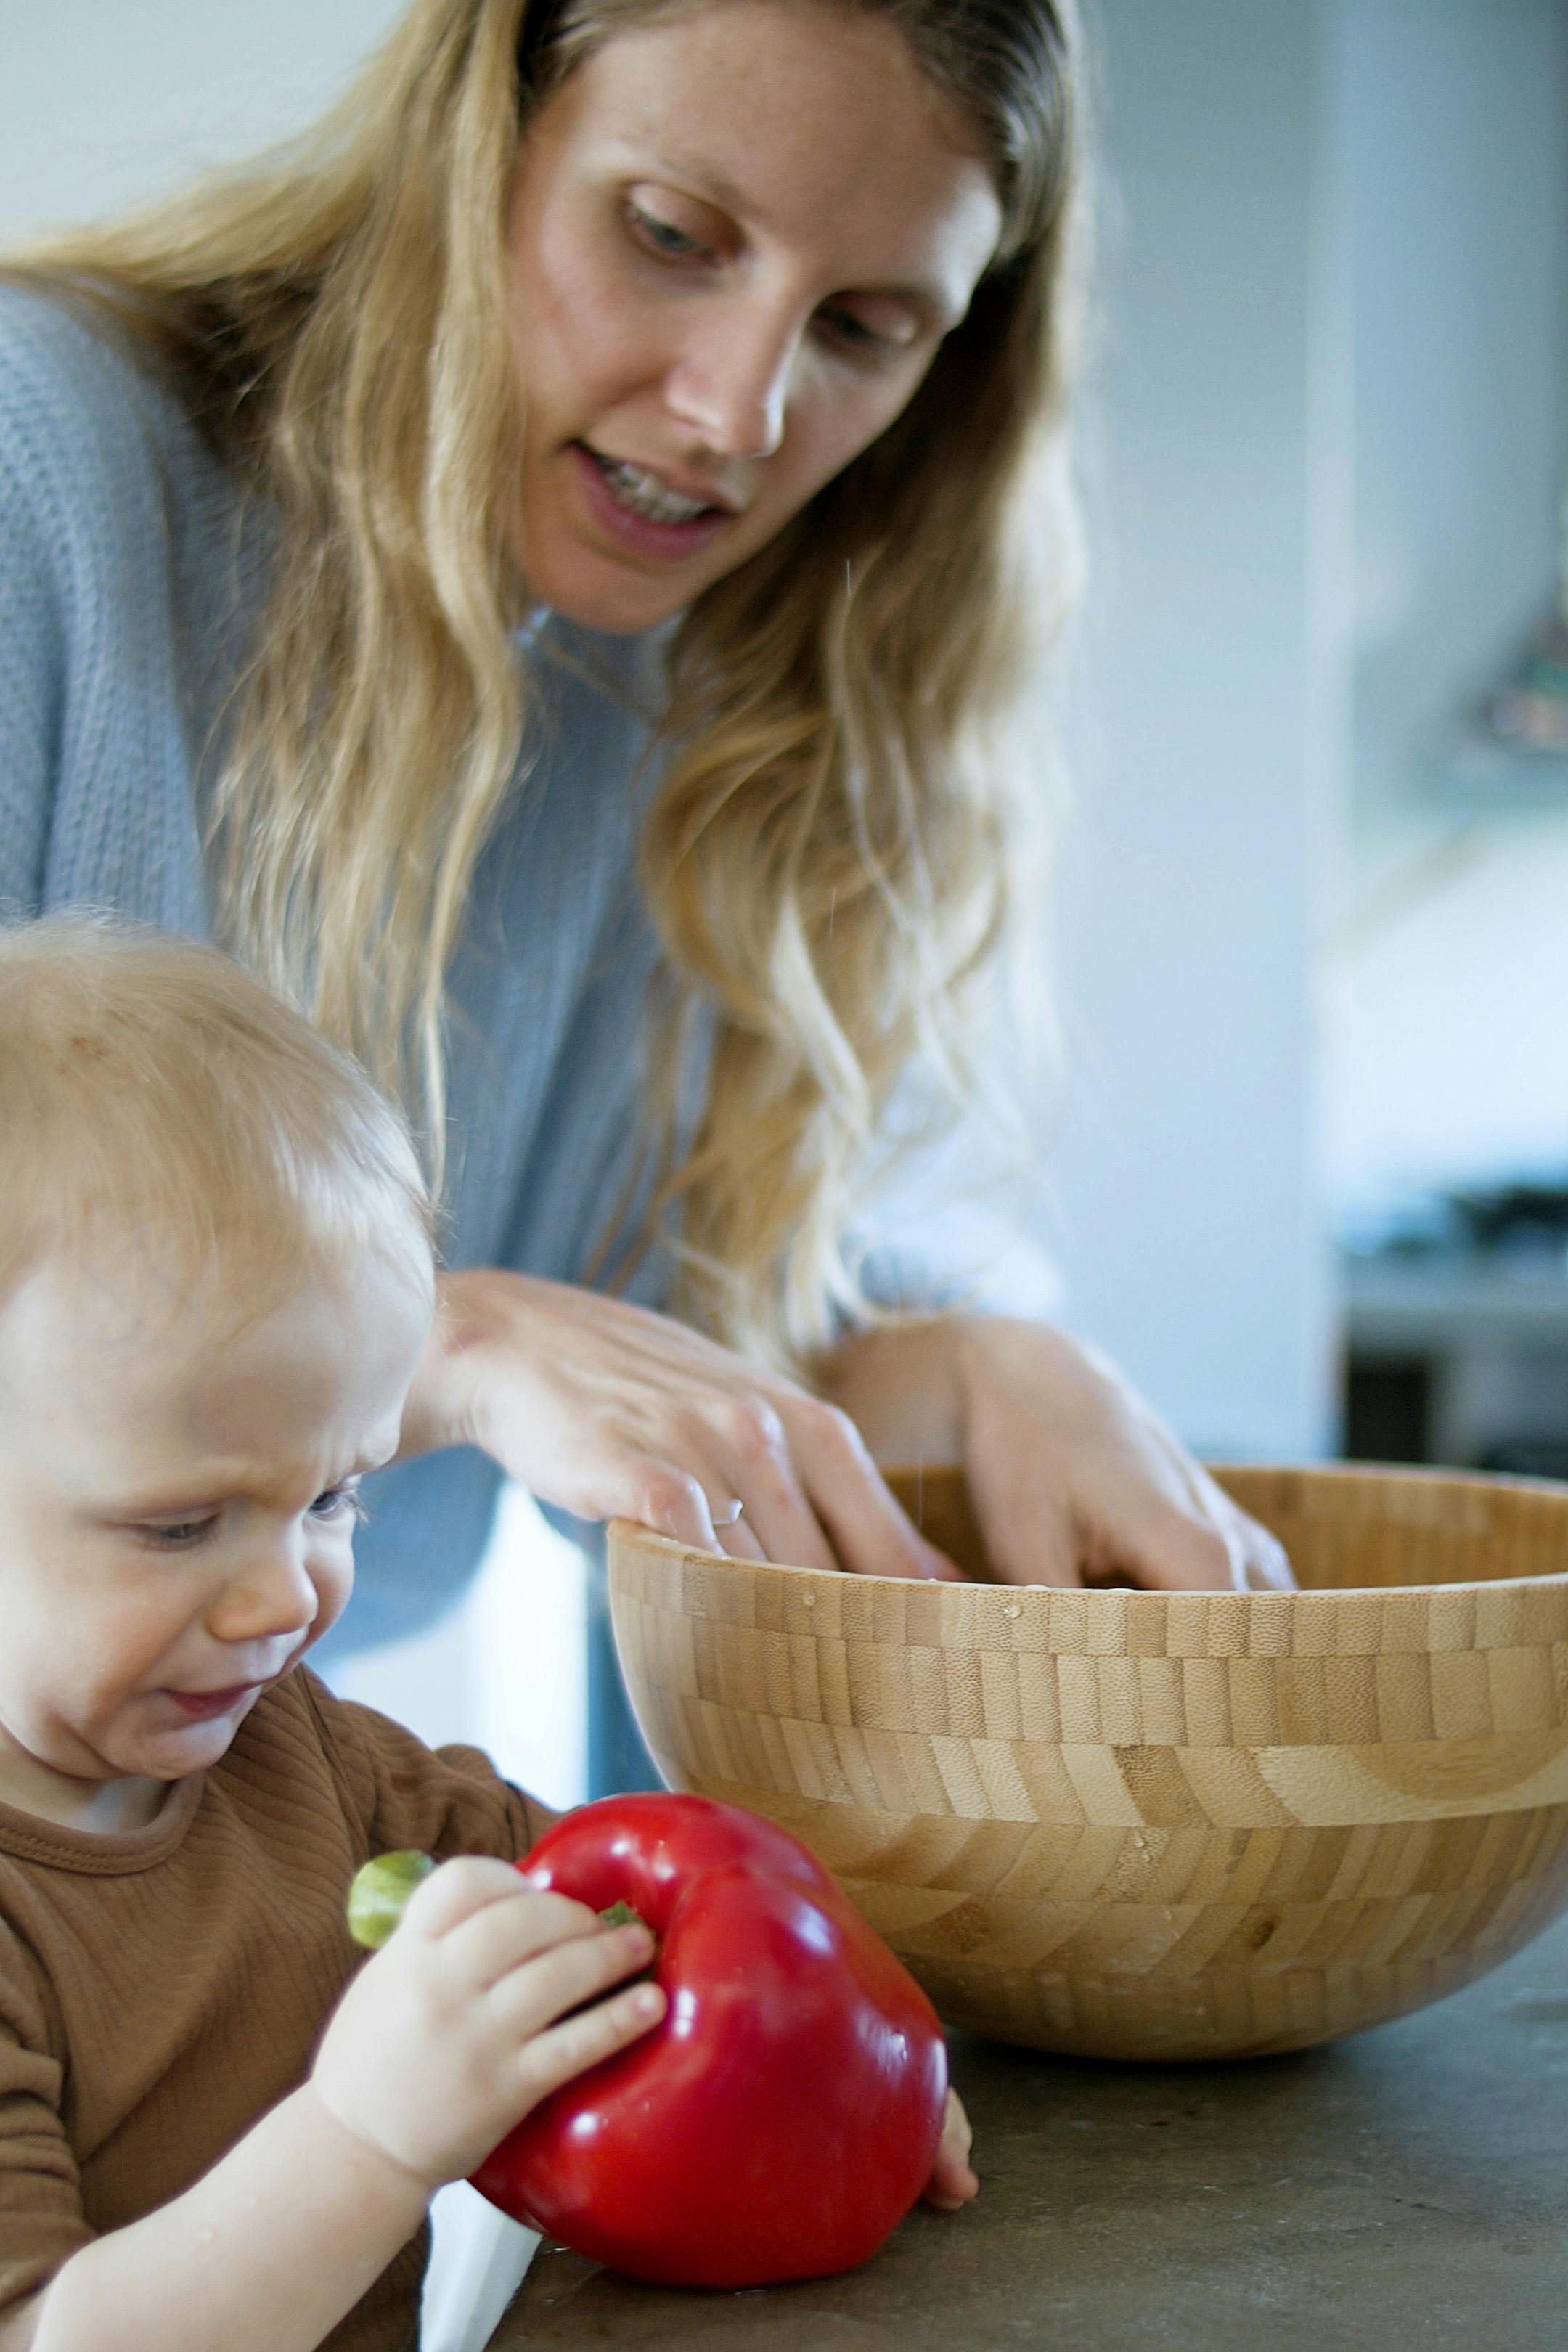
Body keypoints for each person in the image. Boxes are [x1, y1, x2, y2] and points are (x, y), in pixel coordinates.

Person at [0, 0, 1290, 1783]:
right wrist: (428, 1333)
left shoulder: (758, 697)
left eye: (863, 327)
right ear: (481, 138)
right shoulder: (35, 460)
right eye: (672, 237)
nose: (736, 415)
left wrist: (975, 1358)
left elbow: (721, 1317)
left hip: (180, 1827)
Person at [0, 918, 977, 2352]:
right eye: (179, 1526)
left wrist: (856, 2079)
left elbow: (622, 1949)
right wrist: (368, 2139)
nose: (287, 1601)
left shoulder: (301, 1763)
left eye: (331, 1494)